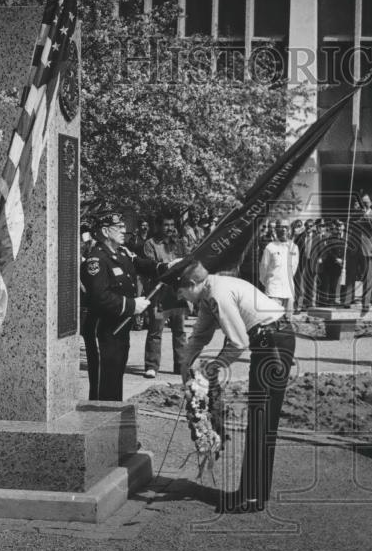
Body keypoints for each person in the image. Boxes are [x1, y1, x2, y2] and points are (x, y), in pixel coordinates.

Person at [176, 262, 294, 514]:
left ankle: (251, 497)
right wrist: (186, 367)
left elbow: (238, 341)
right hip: (270, 339)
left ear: (193, 285)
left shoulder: (217, 294)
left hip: (272, 342)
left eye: (182, 292)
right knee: (261, 419)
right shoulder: (209, 293)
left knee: (261, 420)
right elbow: (200, 335)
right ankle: (254, 492)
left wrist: (213, 367)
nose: (181, 298)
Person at [80, 212, 165, 401]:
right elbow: (99, 297)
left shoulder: (123, 253)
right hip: (103, 329)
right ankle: (100, 419)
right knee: (104, 381)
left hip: (120, 327)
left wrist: (166, 267)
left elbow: (144, 265)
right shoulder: (97, 260)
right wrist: (132, 305)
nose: (123, 230)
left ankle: (112, 418)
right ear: (104, 231)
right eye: (118, 227)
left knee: (116, 376)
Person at [141, 216, 189, 377]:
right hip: (159, 292)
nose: (169, 228)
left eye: (172, 224)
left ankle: (181, 365)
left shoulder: (179, 243)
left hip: (177, 292)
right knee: (156, 330)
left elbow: (188, 262)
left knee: (180, 330)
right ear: (158, 226)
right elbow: (151, 267)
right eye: (166, 224)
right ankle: (151, 366)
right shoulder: (151, 244)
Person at [347, 194, 372, 314]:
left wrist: (365, 214)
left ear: (371, 203)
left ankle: (366, 303)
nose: (364, 205)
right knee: (350, 276)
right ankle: (348, 300)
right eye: (362, 202)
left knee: (368, 277)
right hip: (354, 248)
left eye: (366, 202)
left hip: (368, 249)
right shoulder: (354, 215)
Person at [259, 217, 299, 318]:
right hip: (274, 291)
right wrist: (269, 283)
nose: (284, 230)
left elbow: (294, 268)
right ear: (276, 229)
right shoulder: (270, 247)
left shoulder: (294, 247)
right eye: (281, 227)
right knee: (272, 321)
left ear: (289, 229)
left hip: (289, 291)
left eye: (286, 227)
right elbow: (263, 268)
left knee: (287, 323)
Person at [317, 220, 346, 307]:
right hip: (332, 263)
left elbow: (348, 250)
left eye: (341, 225)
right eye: (337, 226)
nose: (339, 227)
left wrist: (343, 260)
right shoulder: (332, 237)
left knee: (337, 283)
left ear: (344, 227)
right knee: (329, 283)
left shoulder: (347, 237)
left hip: (342, 263)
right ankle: (326, 301)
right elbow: (329, 249)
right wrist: (336, 258)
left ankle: (334, 300)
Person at [294, 218, 320, 311]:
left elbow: (320, 250)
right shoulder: (300, 237)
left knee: (311, 283)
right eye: (307, 226)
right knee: (300, 283)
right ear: (305, 227)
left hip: (312, 262)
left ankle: (309, 304)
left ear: (313, 227)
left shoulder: (317, 237)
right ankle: (298, 305)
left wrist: (320, 259)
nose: (309, 228)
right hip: (301, 261)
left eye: (311, 226)